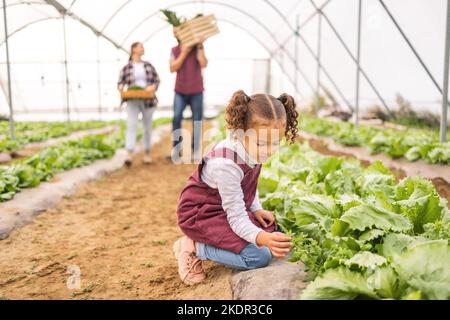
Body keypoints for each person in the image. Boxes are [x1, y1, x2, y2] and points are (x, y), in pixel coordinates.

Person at [173, 90, 299, 285]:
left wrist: (256, 209)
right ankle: (193, 246)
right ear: (242, 132)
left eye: (276, 143)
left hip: (222, 209)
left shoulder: (253, 148)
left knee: (271, 229)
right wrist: (261, 238)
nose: (270, 150)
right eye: (263, 143)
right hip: (200, 215)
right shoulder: (226, 165)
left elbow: (250, 185)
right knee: (259, 256)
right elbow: (237, 218)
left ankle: (209, 243)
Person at [118, 42, 160, 166]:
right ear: (134, 50)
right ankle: (129, 153)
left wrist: (152, 87)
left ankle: (147, 153)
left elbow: (157, 80)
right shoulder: (127, 67)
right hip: (132, 99)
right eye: (140, 46)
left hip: (148, 99)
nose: (143, 48)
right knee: (131, 125)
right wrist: (121, 87)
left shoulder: (148, 66)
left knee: (147, 127)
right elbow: (121, 82)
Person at [169, 31, 208, 161]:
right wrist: (184, 52)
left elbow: (203, 63)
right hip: (180, 90)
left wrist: (200, 45)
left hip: (196, 90)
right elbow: (173, 67)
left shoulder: (198, 48)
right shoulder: (174, 50)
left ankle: (195, 151)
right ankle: (177, 150)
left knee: (197, 120)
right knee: (176, 118)